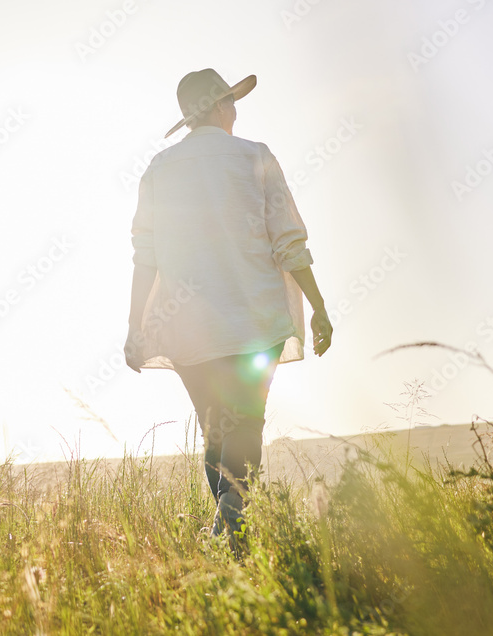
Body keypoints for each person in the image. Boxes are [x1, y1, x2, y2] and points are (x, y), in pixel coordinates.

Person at [124, 68, 332, 554]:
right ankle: (232, 532)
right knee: (246, 426)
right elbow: (289, 242)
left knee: (218, 434)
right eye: (232, 103)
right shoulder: (256, 157)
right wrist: (319, 306)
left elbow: (145, 257)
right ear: (220, 106)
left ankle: (228, 541)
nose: (236, 111)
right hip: (254, 326)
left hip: (188, 331)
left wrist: (135, 326)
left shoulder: (158, 169)